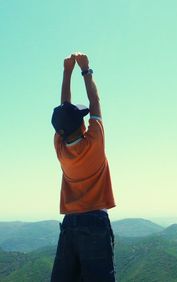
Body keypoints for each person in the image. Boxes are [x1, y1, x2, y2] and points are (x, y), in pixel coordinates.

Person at [50, 53, 116, 282]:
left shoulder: (60, 147)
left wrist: (67, 73)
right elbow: (94, 102)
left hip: (70, 223)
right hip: (95, 222)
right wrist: (84, 70)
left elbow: (63, 111)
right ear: (81, 123)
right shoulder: (94, 142)